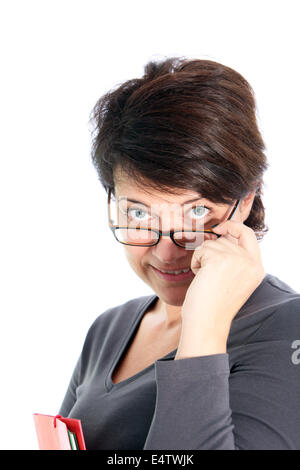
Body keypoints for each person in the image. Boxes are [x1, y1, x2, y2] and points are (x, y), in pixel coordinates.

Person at [59, 56, 300, 450]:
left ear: (246, 200)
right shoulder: (110, 328)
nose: (168, 250)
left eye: (197, 211)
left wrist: (203, 327)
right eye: (138, 213)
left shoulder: (288, 327)